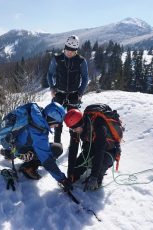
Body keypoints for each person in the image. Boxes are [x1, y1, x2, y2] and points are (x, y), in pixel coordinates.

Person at [0, 102, 72, 191]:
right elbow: (47, 161)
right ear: (51, 119)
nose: (56, 126)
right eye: (57, 123)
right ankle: (29, 167)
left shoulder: (35, 115)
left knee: (46, 148)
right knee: (57, 149)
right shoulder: (38, 132)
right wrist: (62, 179)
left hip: (15, 145)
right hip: (21, 151)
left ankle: (10, 152)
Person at [47, 35, 89, 178]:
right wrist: (52, 88)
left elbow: (85, 78)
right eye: (68, 49)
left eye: (73, 50)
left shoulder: (81, 61)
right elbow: (50, 74)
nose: (69, 52)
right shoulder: (57, 59)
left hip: (73, 95)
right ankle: (57, 148)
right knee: (56, 122)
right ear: (64, 48)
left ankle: (73, 148)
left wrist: (80, 93)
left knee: (75, 123)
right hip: (58, 94)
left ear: (76, 50)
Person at [64, 109, 120, 191]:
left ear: (81, 124)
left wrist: (94, 176)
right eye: (72, 129)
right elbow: (73, 150)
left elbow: (99, 152)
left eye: (75, 129)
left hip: (109, 150)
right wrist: (70, 174)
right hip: (92, 147)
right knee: (75, 171)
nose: (74, 131)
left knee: (95, 182)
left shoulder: (99, 127)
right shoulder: (75, 128)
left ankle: (98, 176)